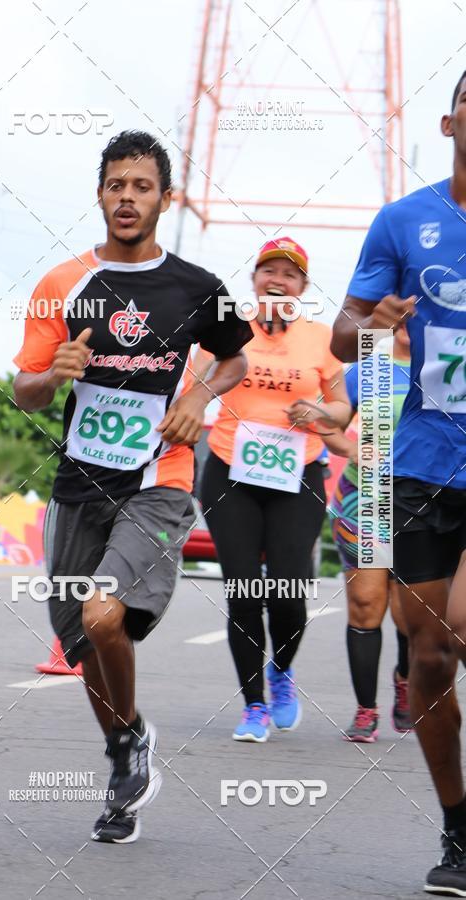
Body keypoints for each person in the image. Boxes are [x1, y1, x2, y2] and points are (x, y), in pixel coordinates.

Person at [12, 130, 252, 844]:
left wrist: (199, 393)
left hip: (159, 481)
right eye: (116, 185)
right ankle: (127, 747)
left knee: (101, 616)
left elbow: (236, 359)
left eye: (141, 186)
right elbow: (24, 389)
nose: (127, 197)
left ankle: (126, 745)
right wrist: (52, 374)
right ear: (99, 195)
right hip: (79, 485)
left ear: (164, 199)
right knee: (84, 641)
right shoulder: (62, 284)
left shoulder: (197, 288)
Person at [330, 70, 466, 895]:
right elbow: (343, 334)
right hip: (419, 466)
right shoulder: (404, 220)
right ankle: (458, 827)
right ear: (450, 123)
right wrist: (373, 326)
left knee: (460, 624)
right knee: (430, 658)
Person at [197, 238, 352, 742]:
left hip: (298, 475)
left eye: (290, 274)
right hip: (230, 473)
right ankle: (254, 706)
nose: (278, 281)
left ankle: (281, 673)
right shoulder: (228, 327)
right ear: (255, 279)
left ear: (302, 286)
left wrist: (319, 412)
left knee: (288, 594)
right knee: (244, 592)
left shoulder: (321, 339)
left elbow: (341, 410)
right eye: (269, 271)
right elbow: (193, 385)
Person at [325, 324, 412, 742]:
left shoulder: (452, 368)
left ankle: (405, 679)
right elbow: (329, 421)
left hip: (429, 505)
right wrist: (349, 447)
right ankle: (366, 710)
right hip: (367, 500)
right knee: (365, 604)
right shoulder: (369, 369)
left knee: (412, 615)